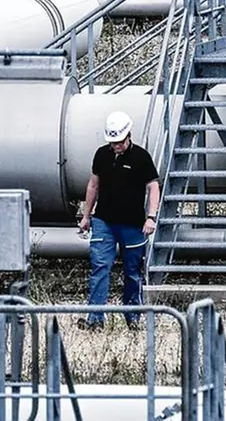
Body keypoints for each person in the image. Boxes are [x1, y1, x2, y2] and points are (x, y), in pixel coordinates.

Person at [76, 111, 160, 331]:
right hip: (104, 220)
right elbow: (93, 185)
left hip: (132, 224)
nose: (116, 146)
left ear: (129, 136)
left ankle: (133, 319)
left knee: (133, 272)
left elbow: (153, 187)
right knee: (100, 266)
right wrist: (86, 216)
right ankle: (95, 319)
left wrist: (151, 217)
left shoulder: (141, 158)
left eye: (120, 142)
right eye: (113, 143)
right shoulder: (101, 155)